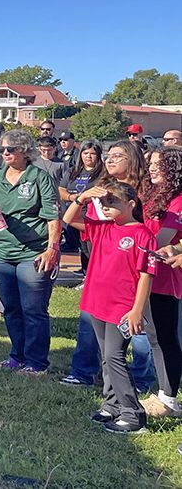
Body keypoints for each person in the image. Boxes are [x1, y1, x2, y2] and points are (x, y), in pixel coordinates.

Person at [60, 140, 154, 389]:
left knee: (137, 329)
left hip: (134, 268)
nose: (109, 160)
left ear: (132, 159)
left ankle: (141, 379)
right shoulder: (101, 189)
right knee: (90, 321)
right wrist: (82, 198)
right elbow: (75, 220)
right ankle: (85, 371)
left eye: (117, 156)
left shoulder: (145, 193)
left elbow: (148, 234)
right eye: (108, 156)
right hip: (101, 261)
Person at [63, 183, 156, 434]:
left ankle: (133, 413)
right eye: (104, 202)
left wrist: (137, 309)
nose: (106, 206)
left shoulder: (142, 234)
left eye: (113, 201)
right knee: (106, 356)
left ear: (131, 204)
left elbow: (146, 275)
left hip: (122, 307)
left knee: (115, 356)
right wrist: (81, 198)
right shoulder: (103, 228)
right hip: (97, 301)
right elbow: (68, 219)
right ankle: (112, 404)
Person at [0, 130, 61, 375]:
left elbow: (53, 216)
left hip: (33, 252)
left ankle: (37, 362)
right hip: (1, 251)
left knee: (33, 309)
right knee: (11, 307)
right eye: (2, 149)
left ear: (25, 151)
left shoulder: (39, 177)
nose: (5, 153)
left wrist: (52, 249)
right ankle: (17, 355)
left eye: (10, 149)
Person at [141, 147, 182, 417]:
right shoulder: (151, 195)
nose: (153, 167)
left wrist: (129, 252)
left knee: (165, 337)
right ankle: (163, 392)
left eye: (160, 164)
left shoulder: (178, 200)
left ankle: (168, 398)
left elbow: (162, 240)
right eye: (151, 163)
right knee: (155, 336)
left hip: (166, 276)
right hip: (147, 274)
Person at [57, 139, 103, 261]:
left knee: (91, 248)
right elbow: (61, 189)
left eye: (92, 153)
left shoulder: (103, 172)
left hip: (92, 217)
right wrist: (72, 197)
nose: (88, 156)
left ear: (98, 155)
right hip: (73, 215)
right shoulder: (73, 170)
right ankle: (85, 274)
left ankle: (91, 274)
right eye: (85, 153)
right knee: (82, 248)